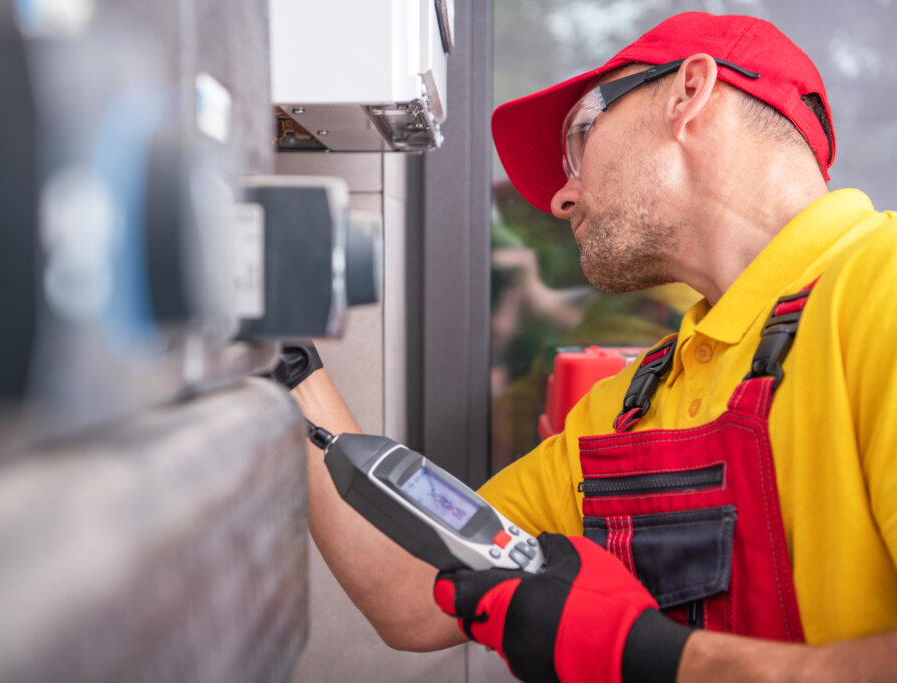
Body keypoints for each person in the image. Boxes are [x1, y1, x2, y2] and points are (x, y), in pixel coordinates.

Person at [287, 11, 897, 682]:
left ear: (689, 93)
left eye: (579, 139)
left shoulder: (881, 288)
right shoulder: (633, 406)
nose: (560, 198)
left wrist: (651, 658)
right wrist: (288, 361)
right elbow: (411, 590)